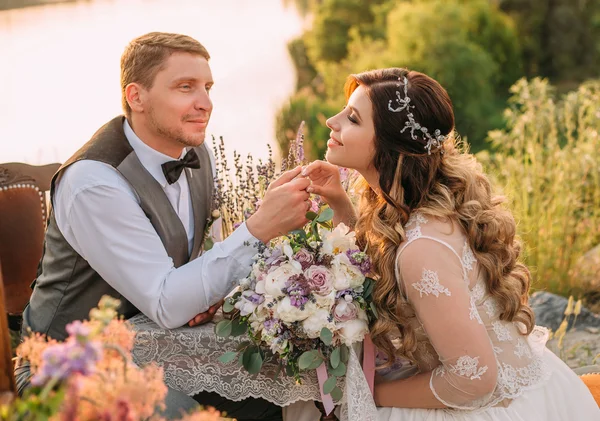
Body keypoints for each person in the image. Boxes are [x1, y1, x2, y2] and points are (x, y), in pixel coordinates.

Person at [16, 32, 312, 421]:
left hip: (159, 343)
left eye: (207, 87)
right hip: (67, 363)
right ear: (136, 96)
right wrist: (258, 228)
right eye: (185, 87)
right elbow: (166, 301)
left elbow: (192, 267)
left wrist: (209, 297)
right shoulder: (94, 182)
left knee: (287, 391)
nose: (205, 103)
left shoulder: (197, 153)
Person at [303, 68, 600, 420]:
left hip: (491, 407)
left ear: (389, 143)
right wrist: (339, 203)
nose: (332, 122)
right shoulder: (411, 203)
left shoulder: (423, 248)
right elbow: (370, 265)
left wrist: (369, 392)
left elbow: (474, 379)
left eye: (352, 118)